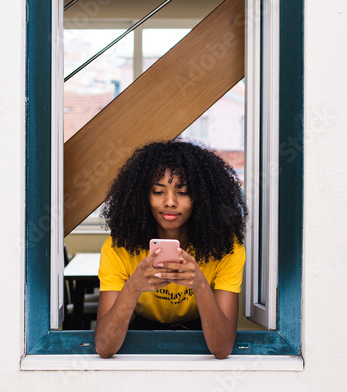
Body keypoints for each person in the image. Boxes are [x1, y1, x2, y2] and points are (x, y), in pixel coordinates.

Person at [94, 140, 246, 359]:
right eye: (158, 191)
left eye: (183, 192)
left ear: (202, 198)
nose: (170, 202)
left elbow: (222, 349)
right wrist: (134, 285)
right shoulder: (119, 246)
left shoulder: (226, 247)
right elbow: (104, 347)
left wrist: (200, 285)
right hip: (140, 334)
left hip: (201, 335)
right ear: (143, 196)